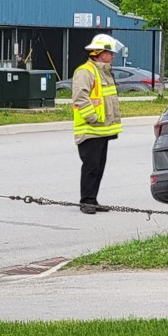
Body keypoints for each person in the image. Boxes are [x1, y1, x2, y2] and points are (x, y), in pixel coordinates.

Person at [72, 34, 124, 214]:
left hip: (101, 130)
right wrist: (93, 117)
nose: (113, 56)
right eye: (110, 52)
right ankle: (86, 201)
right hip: (90, 129)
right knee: (91, 166)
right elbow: (80, 97)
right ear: (101, 54)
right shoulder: (85, 71)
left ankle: (92, 200)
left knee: (98, 167)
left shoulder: (104, 72)